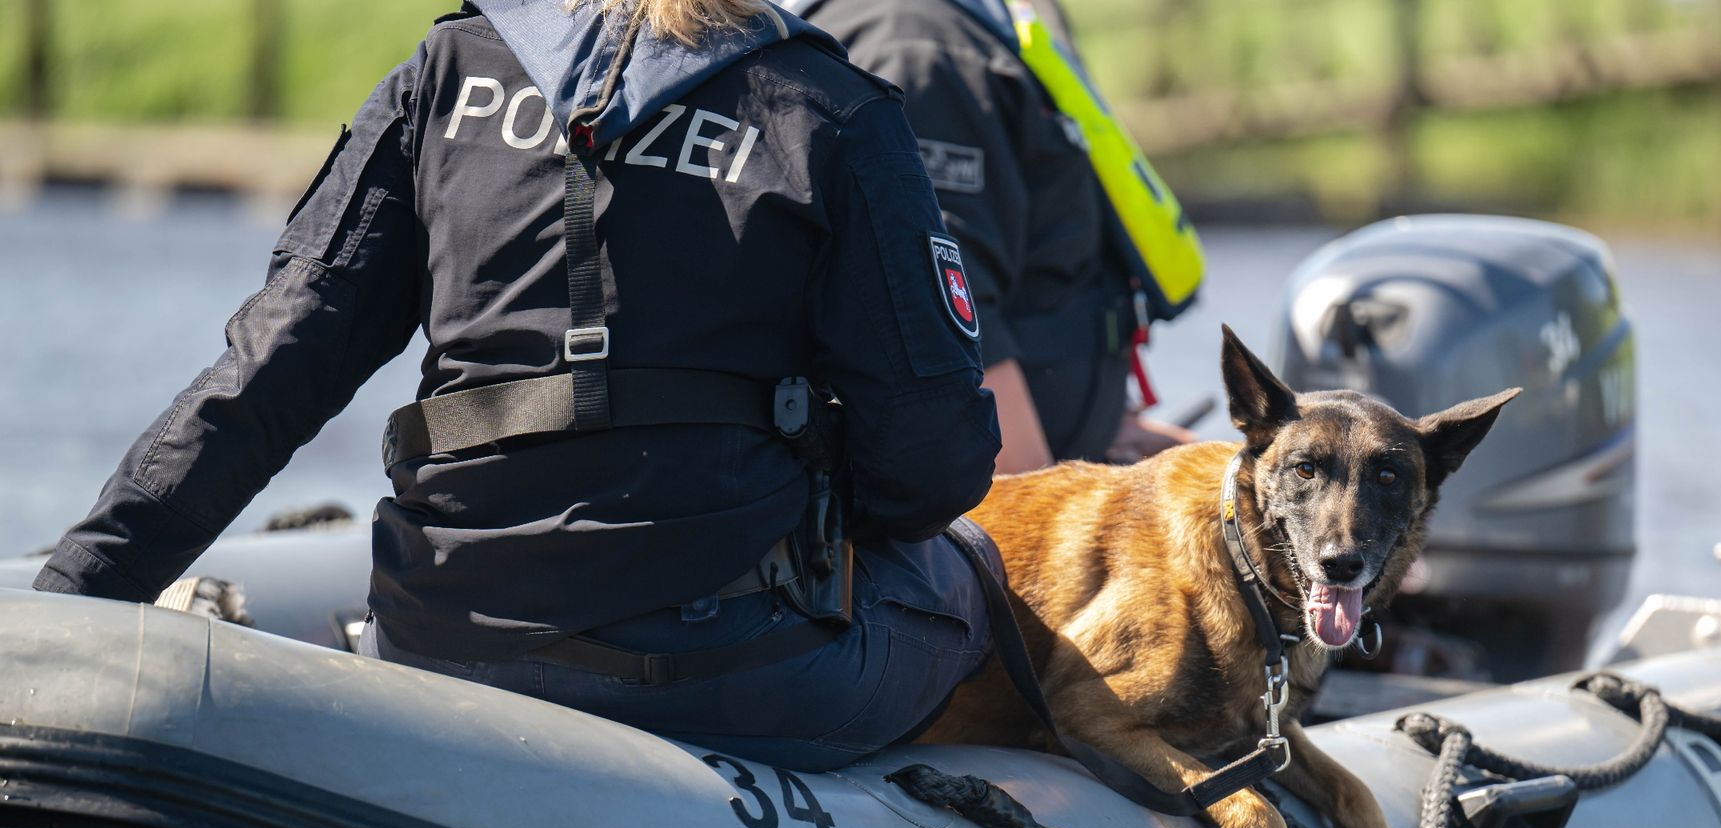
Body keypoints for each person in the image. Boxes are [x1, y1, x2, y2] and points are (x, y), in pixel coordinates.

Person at [33, 0, 1003, 772]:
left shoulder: (446, 74)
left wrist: (69, 602)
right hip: (723, 673)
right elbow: (930, 463)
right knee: (972, 587)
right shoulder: (826, 107)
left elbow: (264, 380)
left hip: (440, 638)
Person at [791, 0, 1203, 471]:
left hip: (1071, 456)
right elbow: (948, 317)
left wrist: (1114, 426)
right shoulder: (919, 44)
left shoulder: (986, 20)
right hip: (1007, 501)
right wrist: (1047, 516)